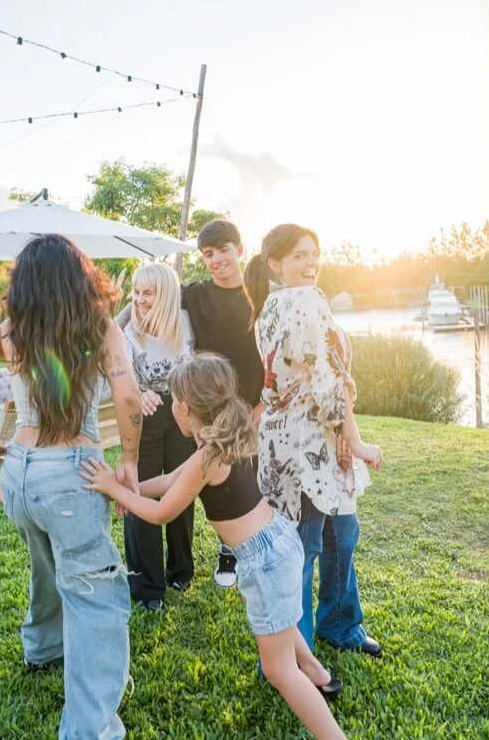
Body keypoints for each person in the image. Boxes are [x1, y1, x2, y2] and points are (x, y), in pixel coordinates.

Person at [81, 353, 347, 740]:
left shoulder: (208, 455)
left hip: (265, 560)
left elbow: (161, 514)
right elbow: (172, 479)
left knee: (278, 670)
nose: (172, 407)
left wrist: (110, 487)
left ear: (185, 409)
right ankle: (320, 675)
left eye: (173, 401)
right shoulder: (224, 439)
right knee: (281, 622)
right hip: (279, 543)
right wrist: (124, 489)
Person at [0, 234, 143, 740]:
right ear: (79, 276)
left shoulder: (14, 331)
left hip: (18, 472)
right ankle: (90, 729)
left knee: (46, 565)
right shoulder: (98, 327)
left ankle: (43, 648)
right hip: (70, 475)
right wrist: (128, 460)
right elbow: (127, 395)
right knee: (95, 594)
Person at [244, 224, 384, 658]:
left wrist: (341, 431)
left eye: (314, 254)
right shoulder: (304, 299)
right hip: (306, 445)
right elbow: (326, 383)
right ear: (275, 263)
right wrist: (355, 441)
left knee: (341, 532)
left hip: (300, 438)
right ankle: (296, 652)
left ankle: (340, 625)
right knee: (305, 544)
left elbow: (317, 377)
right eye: (299, 256)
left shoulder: (270, 304)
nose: (310, 264)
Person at [182, 219, 264, 588]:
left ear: (240, 250)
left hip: (257, 406)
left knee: (256, 479)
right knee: (220, 480)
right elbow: (154, 297)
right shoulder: (196, 295)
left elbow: (274, 357)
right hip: (212, 406)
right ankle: (228, 550)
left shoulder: (260, 295)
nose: (216, 260)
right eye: (208, 254)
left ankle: (258, 546)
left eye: (223, 251)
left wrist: (263, 406)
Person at [121, 262, 196, 611]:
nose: (139, 299)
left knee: (181, 490)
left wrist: (175, 397)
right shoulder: (127, 330)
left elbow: (189, 366)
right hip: (143, 417)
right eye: (136, 292)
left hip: (180, 411)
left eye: (147, 292)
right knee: (143, 494)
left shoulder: (181, 322)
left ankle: (180, 569)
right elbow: (117, 373)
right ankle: (146, 586)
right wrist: (139, 391)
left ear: (164, 294)